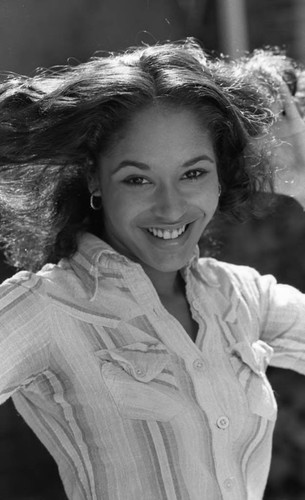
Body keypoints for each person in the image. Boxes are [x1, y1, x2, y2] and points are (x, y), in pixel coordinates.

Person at [0, 39, 305, 500]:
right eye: (137, 179)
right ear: (94, 179)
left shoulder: (241, 299)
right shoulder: (50, 308)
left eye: (193, 173)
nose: (170, 207)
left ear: (221, 174)